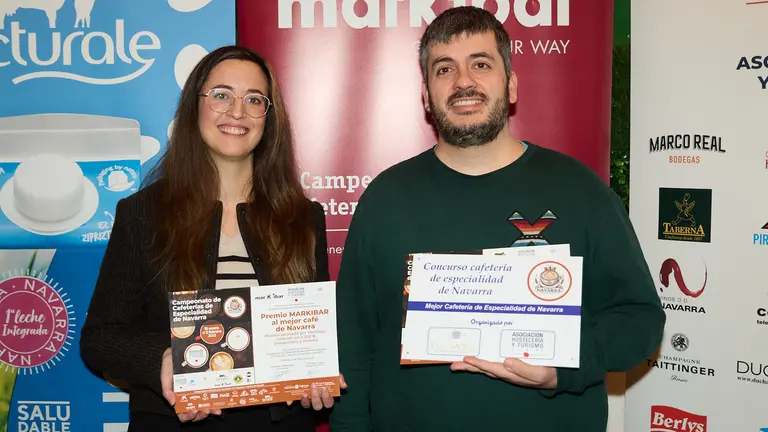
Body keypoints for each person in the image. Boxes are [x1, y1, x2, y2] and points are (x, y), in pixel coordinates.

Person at [330, 6, 665, 432]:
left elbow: (640, 318)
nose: (463, 82)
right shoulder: (384, 199)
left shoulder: (580, 190)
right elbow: (353, 353)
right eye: (444, 69)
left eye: (481, 64)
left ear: (510, 85)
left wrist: (566, 365)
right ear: (426, 94)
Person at [80, 45, 340, 431]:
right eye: (221, 95)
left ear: (268, 118)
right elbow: (99, 338)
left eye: (254, 99)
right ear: (194, 107)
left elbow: (311, 333)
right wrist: (163, 360)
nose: (237, 111)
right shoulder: (142, 214)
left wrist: (317, 372)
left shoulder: (304, 218)